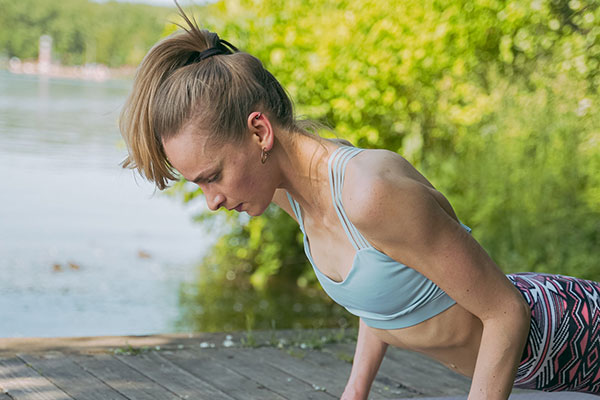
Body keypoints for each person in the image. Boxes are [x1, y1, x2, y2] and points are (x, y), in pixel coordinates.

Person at [119, 5, 600, 399]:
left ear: (259, 131)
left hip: (568, 337)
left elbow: (506, 313)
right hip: (530, 372)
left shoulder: (369, 193)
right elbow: (378, 287)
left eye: (213, 177)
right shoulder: (291, 194)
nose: (212, 201)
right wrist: (356, 389)